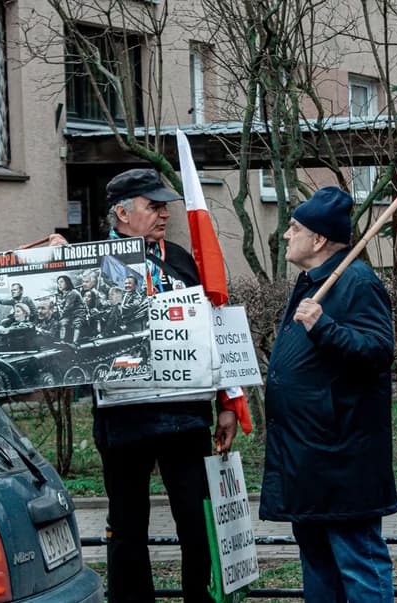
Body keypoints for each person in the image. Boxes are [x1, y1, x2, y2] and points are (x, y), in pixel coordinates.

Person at [52, 167, 238, 603]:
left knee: (196, 521)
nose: (164, 215)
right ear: (121, 212)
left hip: (185, 416)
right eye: (152, 206)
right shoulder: (87, 261)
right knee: (127, 527)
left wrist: (228, 399)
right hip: (124, 418)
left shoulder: (178, 258)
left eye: (165, 206)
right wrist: (51, 262)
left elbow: (214, 329)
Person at [260, 187, 397, 603]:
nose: (287, 235)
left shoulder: (356, 281)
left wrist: (324, 327)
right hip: (308, 458)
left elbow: (378, 350)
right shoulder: (312, 281)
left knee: (359, 563)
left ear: (318, 239)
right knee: (318, 564)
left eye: (295, 228)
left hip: (341, 460)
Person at [54, 274, 83, 342]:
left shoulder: (72, 293)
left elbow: (67, 307)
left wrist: (61, 316)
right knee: (62, 322)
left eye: (61, 282)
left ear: (67, 283)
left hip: (79, 313)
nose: (59, 284)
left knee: (77, 324)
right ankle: (62, 340)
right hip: (70, 315)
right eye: (58, 283)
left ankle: (74, 341)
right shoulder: (64, 294)